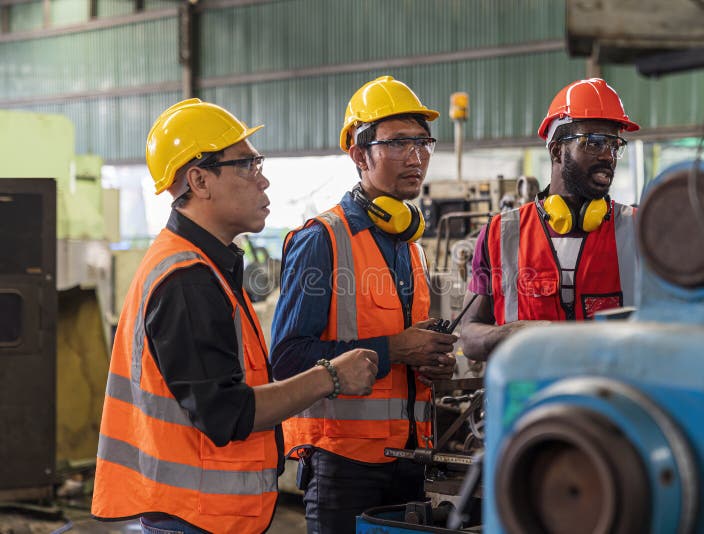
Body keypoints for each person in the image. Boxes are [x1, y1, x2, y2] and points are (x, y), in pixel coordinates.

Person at [90, 99, 378, 534]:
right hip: (195, 517)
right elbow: (228, 413)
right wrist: (330, 376)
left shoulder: (204, 265)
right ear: (200, 180)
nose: (262, 180)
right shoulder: (186, 280)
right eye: (247, 165)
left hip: (203, 512)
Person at [270, 75, 458, 534]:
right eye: (398, 144)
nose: (416, 158)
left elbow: (407, 348)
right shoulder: (321, 240)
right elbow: (287, 359)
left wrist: (432, 363)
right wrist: (397, 349)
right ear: (359, 154)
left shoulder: (411, 246)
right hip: (344, 467)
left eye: (423, 142)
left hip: (411, 460)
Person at [461, 78, 639, 361]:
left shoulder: (639, 230)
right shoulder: (501, 234)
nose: (608, 156)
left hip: (610, 400)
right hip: (528, 400)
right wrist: (513, 334)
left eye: (614, 145)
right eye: (594, 143)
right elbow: (468, 336)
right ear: (557, 150)